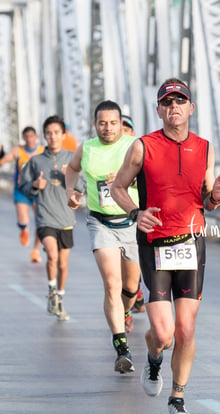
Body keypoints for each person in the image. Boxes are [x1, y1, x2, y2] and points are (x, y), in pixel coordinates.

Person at [110, 78, 220, 414]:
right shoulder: (142, 146)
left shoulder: (205, 148)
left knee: (186, 328)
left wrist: (217, 196)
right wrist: (136, 212)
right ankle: (154, 358)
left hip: (192, 244)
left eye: (180, 101)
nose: (174, 108)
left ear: (191, 108)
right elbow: (118, 188)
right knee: (164, 334)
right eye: (167, 103)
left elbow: (207, 200)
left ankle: (177, 397)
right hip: (155, 245)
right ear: (159, 109)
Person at [65, 100, 141, 374]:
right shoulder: (86, 148)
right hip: (100, 222)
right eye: (101, 123)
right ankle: (121, 347)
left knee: (130, 288)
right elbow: (71, 169)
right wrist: (70, 192)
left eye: (112, 123)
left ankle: (127, 309)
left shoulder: (134, 146)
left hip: (131, 223)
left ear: (121, 124)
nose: (107, 128)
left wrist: (127, 180)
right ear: (94, 124)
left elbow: (150, 176)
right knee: (112, 283)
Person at [19, 116, 78, 321]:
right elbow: (23, 186)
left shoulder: (72, 159)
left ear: (63, 135)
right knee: (51, 255)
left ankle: (60, 296)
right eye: (49, 133)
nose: (52, 137)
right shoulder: (35, 161)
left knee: (63, 263)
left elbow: (83, 187)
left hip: (66, 218)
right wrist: (35, 185)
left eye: (56, 133)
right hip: (45, 217)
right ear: (44, 136)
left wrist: (68, 180)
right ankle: (52, 291)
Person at [0, 126, 44, 262]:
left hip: (38, 191)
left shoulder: (42, 151)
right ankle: (24, 229)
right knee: (23, 220)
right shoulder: (18, 151)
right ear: (24, 138)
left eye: (32, 136)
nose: (30, 139)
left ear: (36, 137)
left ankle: (36, 250)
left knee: (41, 222)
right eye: (27, 137)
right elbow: (2, 162)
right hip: (22, 190)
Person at [121, 114, 146, 314]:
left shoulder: (141, 153)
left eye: (126, 128)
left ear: (133, 133)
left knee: (135, 260)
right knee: (122, 267)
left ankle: (134, 293)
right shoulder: (109, 154)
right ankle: (130, 300)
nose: (122, 131)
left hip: (138, 215)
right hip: (115, 217)